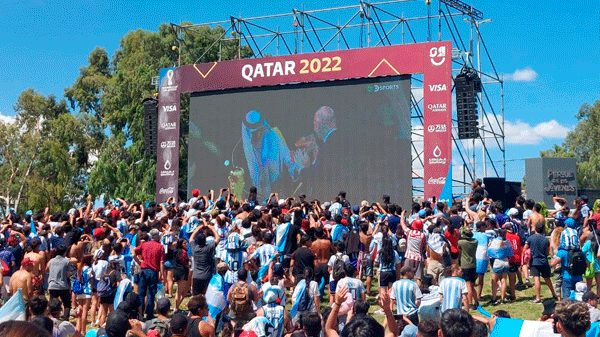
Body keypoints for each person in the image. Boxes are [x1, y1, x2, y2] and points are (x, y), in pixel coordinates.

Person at [134, 229, 166, 320]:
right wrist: (162, 274)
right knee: (151, 294)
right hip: (153, 271)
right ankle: (150, 314)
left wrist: (139, 262)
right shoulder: (160, 247)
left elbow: (134, 252)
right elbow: (161, 262)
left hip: (144, 270)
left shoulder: (144, 245)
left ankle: (140, 313)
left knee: (141, 293)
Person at [524, 222, 559, 303]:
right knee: (548, 279)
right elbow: (547, 252)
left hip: (534, 261)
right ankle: (554, 294)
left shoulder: (530, 238)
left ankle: (538, 297)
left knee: (536, 279)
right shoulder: (545, 240)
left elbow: (525, 249)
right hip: (544, 261)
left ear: (535, 229)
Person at [190, 219, 220, 295]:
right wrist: (213, 229)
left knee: (196, 296)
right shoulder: (208, 248)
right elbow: (218, 239)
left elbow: (191, 239)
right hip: (206, 276)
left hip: (196, 276)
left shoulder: (195, 248)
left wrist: (197, 229)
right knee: (206, 296)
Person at [47, 244, 73, 321]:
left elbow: (47, 269)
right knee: (67, 303)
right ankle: (65, 318)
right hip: (62, 285)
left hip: (52, 285)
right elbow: (68, 274)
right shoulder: (66, 261)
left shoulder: (51, 261)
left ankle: (52, 317)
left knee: (52, 303)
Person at [457, 226, 478, 308]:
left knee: (468, 284)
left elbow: (459, 251)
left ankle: (470, 303)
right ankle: (476, 300)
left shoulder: (461, 242)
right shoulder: (475, 241)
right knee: (472, 285)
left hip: (465, 265)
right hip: (473, 264)